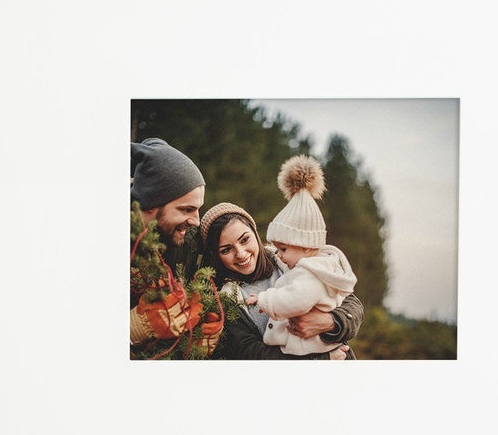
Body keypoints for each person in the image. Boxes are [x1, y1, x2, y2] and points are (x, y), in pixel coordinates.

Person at [193, 201, 364, 360]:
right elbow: (250, 354)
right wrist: (320, 360)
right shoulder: (222, 300)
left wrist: (330, 322)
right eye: (226, 250)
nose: (241, 253)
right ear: (216, 256)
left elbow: (352, 304)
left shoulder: (291, 260)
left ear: (255, 233)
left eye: (245, 240)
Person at [242, 158, 359, 357]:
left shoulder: (310, 273)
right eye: (277, 248)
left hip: (309, 350)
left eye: (284, 249)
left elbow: (294, 300)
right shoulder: (323, 267)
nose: (278, 254)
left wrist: (264, 300)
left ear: (305, 247)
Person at [130, 137, 226, 359]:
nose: (196, 221)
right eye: (186, 210)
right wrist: (132, 329)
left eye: (198, 210)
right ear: (151, 204)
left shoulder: (185, 238)